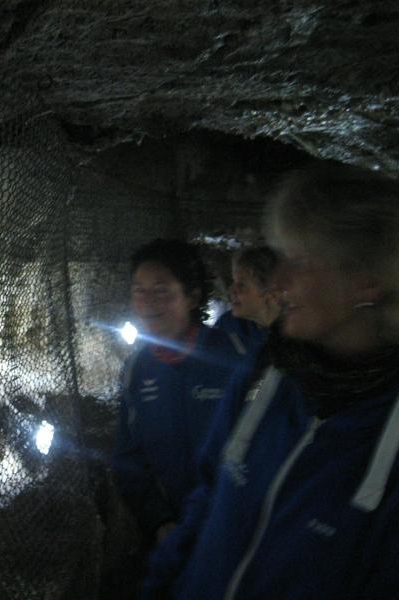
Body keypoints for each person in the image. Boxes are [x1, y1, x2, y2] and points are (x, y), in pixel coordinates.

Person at [143, 163, 399, 599]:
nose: (277, 282)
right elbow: (209, 495)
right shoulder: (265, 370)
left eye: (298, 261)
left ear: (366, 280)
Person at [111, 239, 242, 571]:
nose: (147, 302)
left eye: (161, 290)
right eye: (139, 291)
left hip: (236, 529)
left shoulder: (236, 357)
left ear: (192, 296)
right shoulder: (138, 369)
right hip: (173, 534)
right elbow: (128, 455)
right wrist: (159, 521)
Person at [214, 246, 282, 355]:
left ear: (269, 291)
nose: (231, 291)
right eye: (233, 282)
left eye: (241, 285)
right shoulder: (228, 325)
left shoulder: (297, 333)